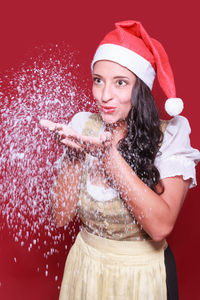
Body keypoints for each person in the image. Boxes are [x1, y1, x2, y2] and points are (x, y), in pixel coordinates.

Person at [40, 20, 200, 300]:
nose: (104, 96)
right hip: (85, 270)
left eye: (121, 83)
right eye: (98, 80)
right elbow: (60, 218)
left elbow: (161, 227)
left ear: (141, 89)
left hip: (141, 278)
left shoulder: (170, 136)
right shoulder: (82, 125)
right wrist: (76, 155)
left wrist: (108, 158)